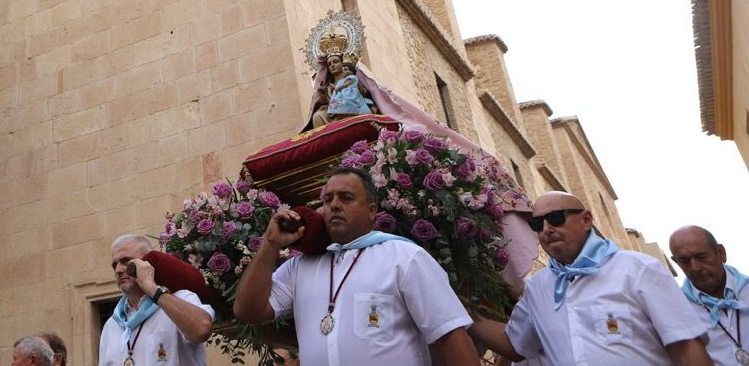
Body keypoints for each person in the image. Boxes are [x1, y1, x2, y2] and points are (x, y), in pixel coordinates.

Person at [233, 167, 479, 365]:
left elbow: (451, 336)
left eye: (346, 198)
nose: (335, 205)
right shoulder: (299, 267)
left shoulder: (404, 257)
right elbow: (248, 311)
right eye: (328, 200)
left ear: (372, 211)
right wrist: (270, 244)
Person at [468, 192, 712, 365]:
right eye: (536, 223)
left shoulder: (638, 269)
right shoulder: (537, 287)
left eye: (555, 218)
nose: (546, 229)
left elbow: (687, 348)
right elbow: (515, 345)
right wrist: (458, 309)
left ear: (586, 219)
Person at [98, 234, 214, 366]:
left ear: (147, 263)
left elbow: (201, 330)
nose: (118, 270)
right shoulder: (111, 325)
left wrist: (152, 288)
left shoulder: (181, 298)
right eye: (114, 265)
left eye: (126, 261)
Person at [669, 225, 749, 365]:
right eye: (684, 261)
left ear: (721, 253)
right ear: (676, 262)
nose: (695, 267)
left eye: (701, 257)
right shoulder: (677, 312)